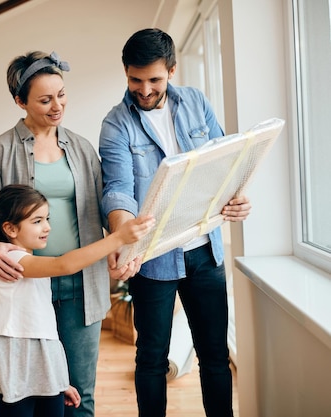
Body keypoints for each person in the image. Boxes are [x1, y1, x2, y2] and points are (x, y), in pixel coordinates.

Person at [98, 28, 252, 417]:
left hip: (204, 250)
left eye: (155, 79)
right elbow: (118, 190)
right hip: (152, 259)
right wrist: (123, 234)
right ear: (125, 72)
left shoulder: (196, 102)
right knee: (152, 358)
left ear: (172, 69)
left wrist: (236, 197)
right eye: (135, 79)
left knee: (214, 354)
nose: (145, 89)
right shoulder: (116, 124)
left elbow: (224, 160)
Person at [0, 50, 112, 416]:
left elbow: (105, 209)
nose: (58, 106)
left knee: (80, 392)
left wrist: (122, 244)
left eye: (62, 95)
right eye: (45, 99)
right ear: (20, 101)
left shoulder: (82, 148)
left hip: (81, 283)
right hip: (26, 287)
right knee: (34, 391)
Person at [0, 184, 154, 417]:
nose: (47, 227)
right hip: (17, 367)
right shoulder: (10, 259)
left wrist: (59, 381)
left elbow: (46, 335)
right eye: (37, 221)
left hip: (47, 368)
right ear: (10, 228)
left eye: (47, 218)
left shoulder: (31, 260)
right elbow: (64, 265)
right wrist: (118, 237)